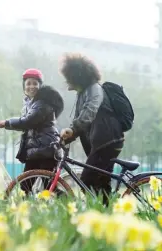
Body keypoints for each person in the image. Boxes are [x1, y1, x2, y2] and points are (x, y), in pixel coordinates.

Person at [59, 53, 124, 206]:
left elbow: (89, 113)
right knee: (101, 182)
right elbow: (78, 122)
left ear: (76, 76)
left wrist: (73, 129)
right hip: (100, 143)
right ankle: (106, 213)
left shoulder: (94, 89)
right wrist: (69, 135)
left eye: (68, 76)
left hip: (108, 141)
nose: (66, 80)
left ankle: (102, 210)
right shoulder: (82, 94)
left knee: (87, 179)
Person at [0, 68, 64, 194]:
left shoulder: (42, 103)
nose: (31, 86)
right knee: (25, 185)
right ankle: (27, 211)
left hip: (47, 149)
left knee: (49, 187)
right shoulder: (30, 103)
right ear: (24, 86)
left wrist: (5, 123)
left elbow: (27, 122)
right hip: (36, 151)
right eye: (28, 83)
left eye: (35, 83)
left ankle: (68, 204)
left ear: (40, 86)